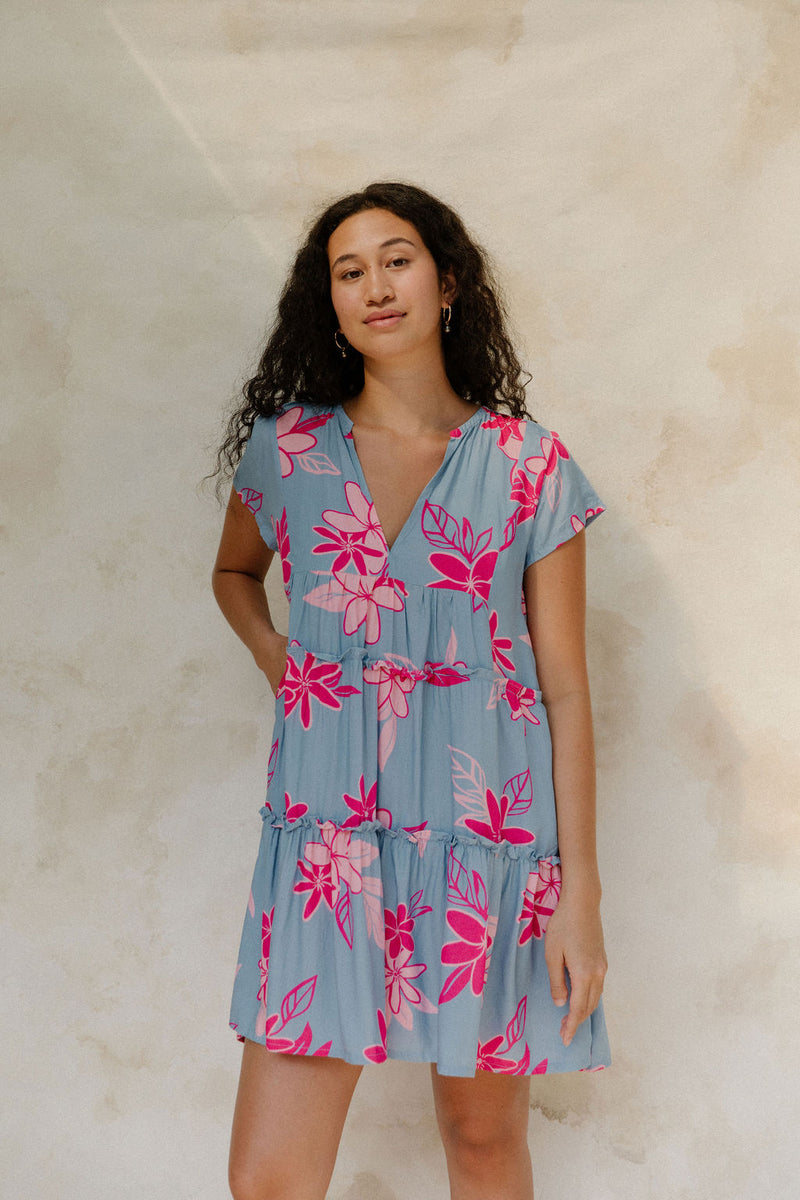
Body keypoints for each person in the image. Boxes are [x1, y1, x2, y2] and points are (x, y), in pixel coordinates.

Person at [211, 180, 610, 1200]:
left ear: (448, 285)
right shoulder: (288, 450)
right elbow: (234, 573)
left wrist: (578, 896)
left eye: (396, 260)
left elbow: (563, 690)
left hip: (485, 850)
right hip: (325, 849)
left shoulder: (525, 466)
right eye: (348, 271)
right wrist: (274, 655)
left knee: (479, 1148)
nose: (373, 286)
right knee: (268, 1179)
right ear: (329, 305)